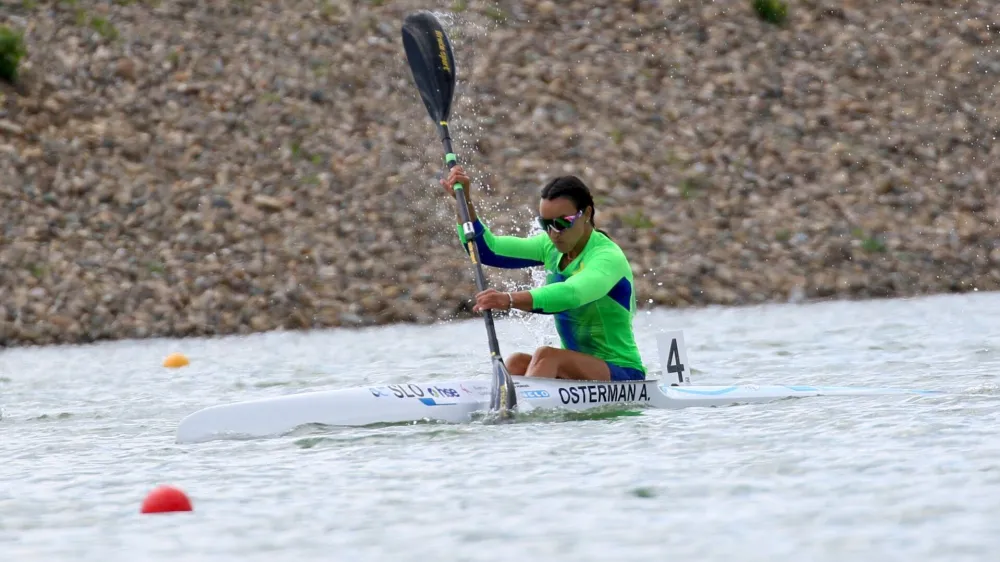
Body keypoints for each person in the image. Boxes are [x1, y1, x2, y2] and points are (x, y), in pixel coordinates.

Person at [439, 165, 647, 382]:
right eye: (545, 224)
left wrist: (509, 299)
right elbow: (486, 250)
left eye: (561, 223)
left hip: (623, 374)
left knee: (546, 356)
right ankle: (499, 409)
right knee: (517, 361)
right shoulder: (550, 247)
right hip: (578, 371)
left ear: (586, 213)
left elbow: (571, 294)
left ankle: (522, 412)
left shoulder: (606, 258)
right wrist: (463, 203)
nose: (553, 233)